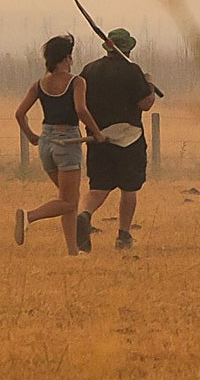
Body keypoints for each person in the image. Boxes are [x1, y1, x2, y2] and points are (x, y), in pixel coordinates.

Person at [13, 34, 105, 255]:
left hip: (46, 142)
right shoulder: (77, 82)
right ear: (67, 57)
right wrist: (97, 133)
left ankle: (73, 252)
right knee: (69, 201)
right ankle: (29, 216)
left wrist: (31, 136)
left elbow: (19, 114)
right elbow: (81, 110)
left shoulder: (39, 84)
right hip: (67, 141)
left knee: (68, 199)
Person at [75, 28, 157, 252]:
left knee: (98, 187)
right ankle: (123, 235)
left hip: (97, 136)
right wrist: (149, 85)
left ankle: (84, 215)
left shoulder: (89, 70)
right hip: (129, 139)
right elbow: (145, 104)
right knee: (129, 188)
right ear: (128, 48)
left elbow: (79, 102)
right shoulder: (132, 70)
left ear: (108, 47)